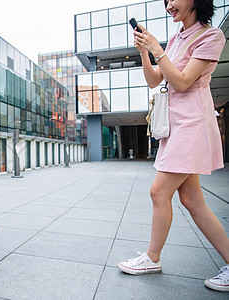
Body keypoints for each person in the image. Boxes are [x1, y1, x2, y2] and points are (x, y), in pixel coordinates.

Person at [117, 0, 229, 292]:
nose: (169, 5)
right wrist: (145, 52)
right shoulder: (177, 38)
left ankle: (153, 257)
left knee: (159, 191)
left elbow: (182, 82)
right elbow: (156, 79)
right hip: (175, 125)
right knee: (192, 201)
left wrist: (157, 49)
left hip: (192, 124)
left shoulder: (210, 36)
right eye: (166, 1)